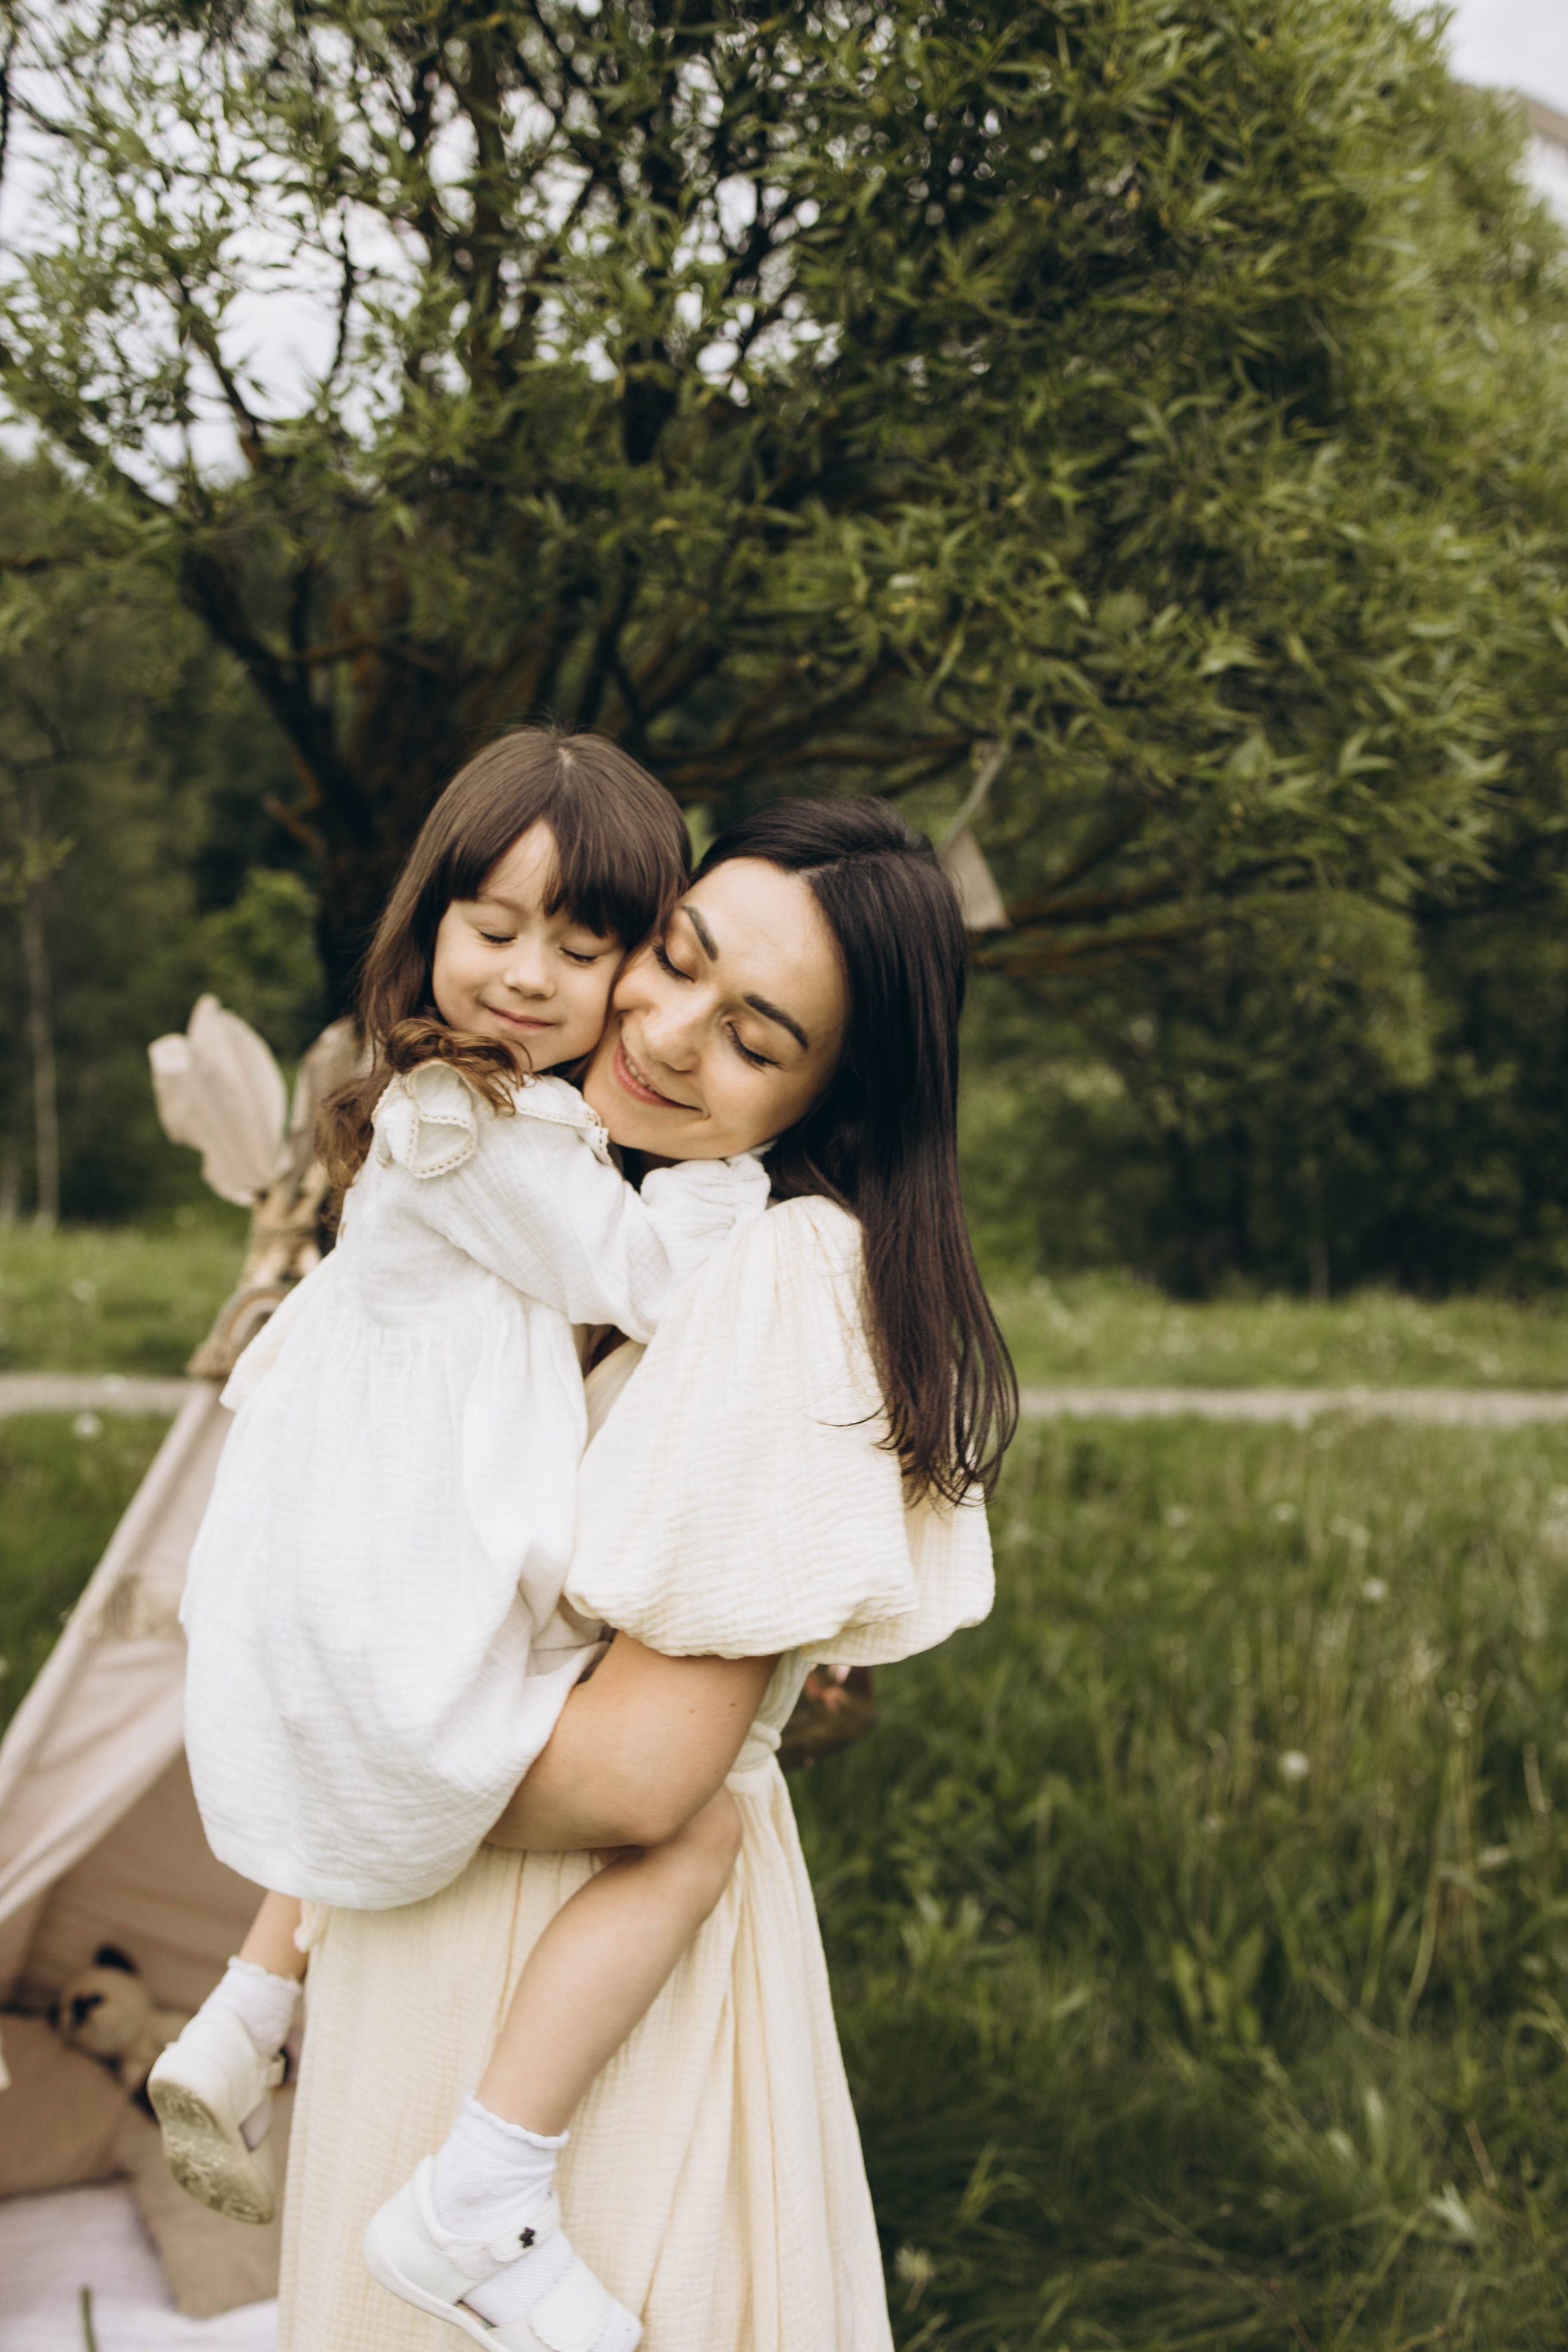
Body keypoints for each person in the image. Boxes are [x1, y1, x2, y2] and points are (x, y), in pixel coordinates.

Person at [276, 796, 1018, 2352]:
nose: (667, 1032)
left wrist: (337, 1751)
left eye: (754, 1036)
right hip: (455, 1930)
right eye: (672, 958)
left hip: (569, 1993)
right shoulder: (599, 1215)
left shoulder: (786, 1273)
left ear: (841, 1095)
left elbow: (637, 1773)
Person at [153, 733, 773, 2351]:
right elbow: (645, 1279)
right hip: (388, 1584)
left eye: (584, 948)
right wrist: (729, 1186)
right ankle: (485, 2191)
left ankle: (246, 2015)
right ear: (428, 918)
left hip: (355, 1560)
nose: (527, 974)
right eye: (494, 927)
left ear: (634, 969)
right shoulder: (467, 1123)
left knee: (399, 1781)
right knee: (691, 1827)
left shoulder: (453, 1113)